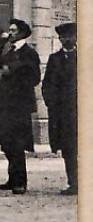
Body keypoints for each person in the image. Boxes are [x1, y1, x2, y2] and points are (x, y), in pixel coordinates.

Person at [0, 18, 41, 195]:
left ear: (23, 33)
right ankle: (12, 179)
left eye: (13, 31)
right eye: (9, 30)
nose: (10, 33)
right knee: (6, 142)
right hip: (5, 103)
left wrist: (13, 69)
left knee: (17, 143)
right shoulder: (10, 50)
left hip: (19, 105)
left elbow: (34, 77)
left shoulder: (29, 53)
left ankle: (20, 182)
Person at [42, 21, 77, 195]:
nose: (67, 39)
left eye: (70, 36)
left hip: (81, 113)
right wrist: (51, 103)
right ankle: (73, 182)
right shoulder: (54, 59)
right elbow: (47, 84)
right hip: (62, 113)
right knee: (68, 148)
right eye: (63, 37)